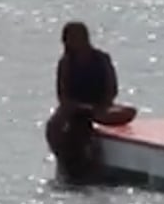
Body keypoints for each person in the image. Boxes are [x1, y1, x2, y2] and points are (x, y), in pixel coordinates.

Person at [45, 21, 133, 183]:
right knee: (54, 125)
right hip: (74, 107)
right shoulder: (66, 63)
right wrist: (79, 107)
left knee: (127, 112)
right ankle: (65, 159)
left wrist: (101, 105)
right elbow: (62, 95)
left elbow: (112, 89)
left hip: (100, 106)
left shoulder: (102, 59)